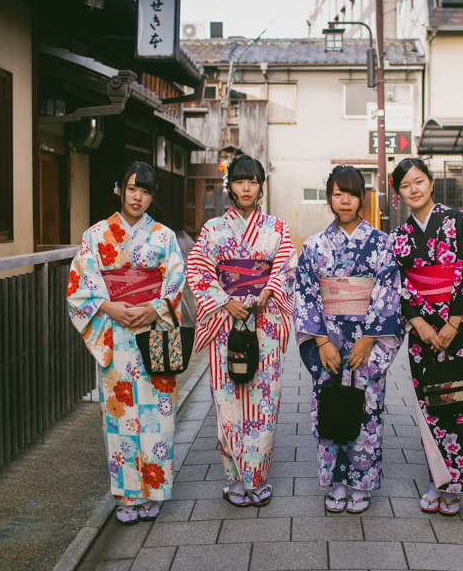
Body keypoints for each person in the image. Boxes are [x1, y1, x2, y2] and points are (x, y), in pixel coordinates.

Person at [67, 162, 186, 525]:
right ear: (120, 189)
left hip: (153, 336)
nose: (138, 197)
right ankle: (126, 496)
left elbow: (176, 281)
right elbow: (79, 285)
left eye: (146, 191)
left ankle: (154, 491)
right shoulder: (96, 234)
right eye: (133, 188)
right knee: (119, 420)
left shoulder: (165, 236)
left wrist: (155, 307)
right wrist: (108, 306)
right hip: (115, 334)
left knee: (157, 417)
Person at [185, 154, 297, 507]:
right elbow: (199, 270)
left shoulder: (276, 228)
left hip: (264, 320)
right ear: (229, 185)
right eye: (239, 181)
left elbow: (286, 267)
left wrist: (268, 292)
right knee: (228, 401)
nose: (246, 187)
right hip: (226, 323)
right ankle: (234, 477)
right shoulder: (213, 228)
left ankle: (258, 477)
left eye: (252, 181)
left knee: (265, 399)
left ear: (261, 185)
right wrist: (222, 299)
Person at [294, 165, 403, 514]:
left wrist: (370, 338)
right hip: (328, 340)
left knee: (367, 408)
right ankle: (336, 482)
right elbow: (306, 295)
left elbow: (388, 293)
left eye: (352, 193)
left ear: (362, 199)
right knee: (328, 405)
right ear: (329, 198)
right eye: (338, 193)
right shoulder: (313, 246)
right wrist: (322, 341)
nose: (345, 200)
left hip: (366, 342)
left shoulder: (381, 244)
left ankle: (361, 483)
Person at [390, 157, 463, 517]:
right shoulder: (399, 239)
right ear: (398, 193)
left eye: (419, 181)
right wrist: (418, 323)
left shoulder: (459, 221)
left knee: (461, 404)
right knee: (433, 404)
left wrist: (454, 321)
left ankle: (457, 487)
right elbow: (399, 285)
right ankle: (438, 481)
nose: (413, 189)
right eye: (405, 185)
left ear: (432, 183)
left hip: (460, 332)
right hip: (424, 336)